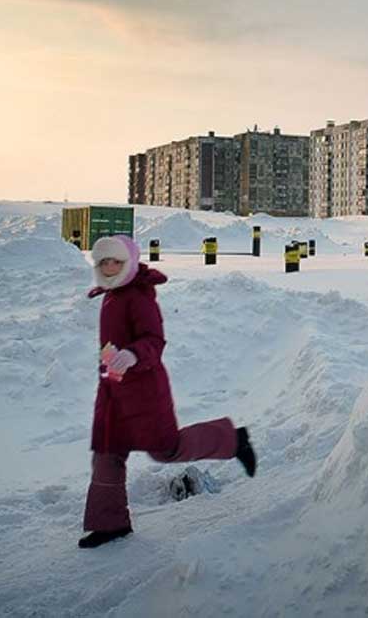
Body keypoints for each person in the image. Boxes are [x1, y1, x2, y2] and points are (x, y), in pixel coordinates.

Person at [78, 234, 257, 549]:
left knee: (165, 449)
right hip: (113, 390)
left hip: (144, 391)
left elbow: (154, 340)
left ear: (129, 263)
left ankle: (233, 439)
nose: (109, 267)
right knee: (107, 452)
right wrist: (111, 368)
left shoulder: (139, 296)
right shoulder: (110, 294)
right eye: (103, 262)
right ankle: (110, 524)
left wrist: (133, 355)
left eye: (115, 261)